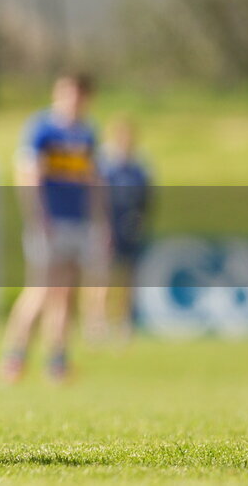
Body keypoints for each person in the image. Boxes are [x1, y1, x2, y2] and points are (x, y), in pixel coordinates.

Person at [0, 74, 109, 382]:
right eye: (68, 94)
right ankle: (14, 358)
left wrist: (100, 219)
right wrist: (38, 216)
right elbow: (27, 173)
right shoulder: (42, 129)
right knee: (40, 290)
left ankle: (57, 361)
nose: (73, 102)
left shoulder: (87, 134)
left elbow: (94, 180)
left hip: (78, 223)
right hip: (49, 224)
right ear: (58, 94)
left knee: (64, 293)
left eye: (79, 96)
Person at [91, 116, 152, 341]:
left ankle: (125, 322)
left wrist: (141, 221)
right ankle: (97, 322)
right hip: (108, 227)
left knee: (128, 278)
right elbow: (98, 198)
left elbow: (147, 198)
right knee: (103, 277)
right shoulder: (106, 167)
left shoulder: (140, 168)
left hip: (131, 228)